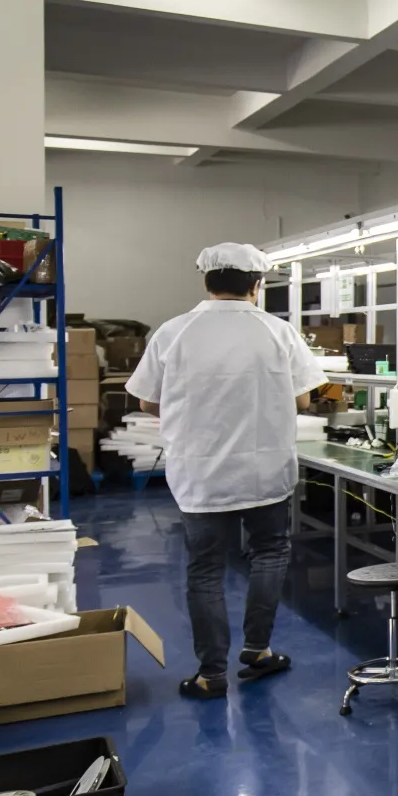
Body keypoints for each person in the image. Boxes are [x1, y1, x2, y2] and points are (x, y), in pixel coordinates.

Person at [127, 243, 326, 701]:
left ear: (205, 282)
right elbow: (302, 400)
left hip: (200, 475)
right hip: (265, 471)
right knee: (269, 554)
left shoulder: (174, 332)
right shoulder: (279, 332)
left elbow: (146, 401)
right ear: (257, 285)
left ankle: (210, 674)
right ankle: (257, 650)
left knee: (205, 571)